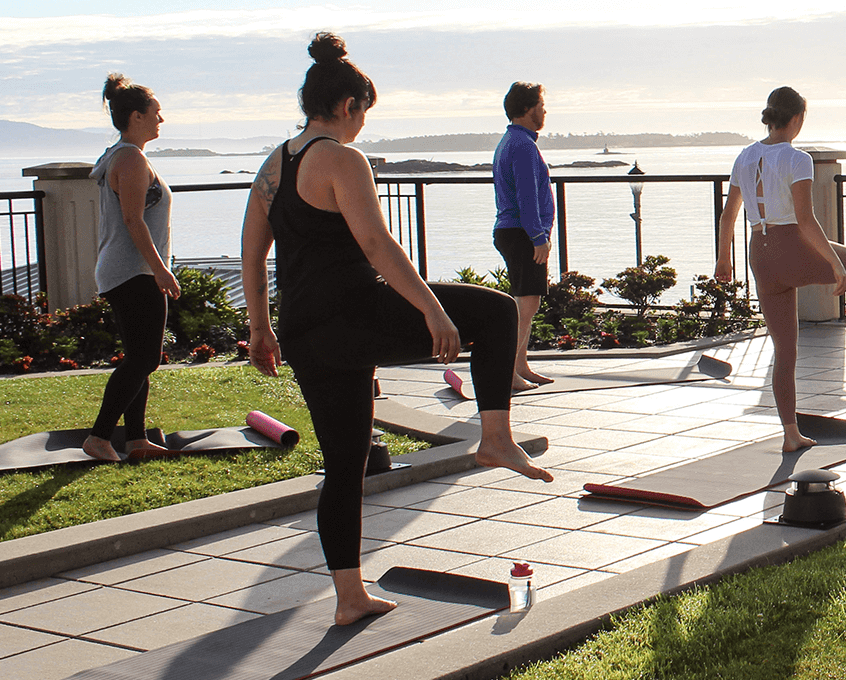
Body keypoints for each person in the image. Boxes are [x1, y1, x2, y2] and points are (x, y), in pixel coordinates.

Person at [242, 33, 552, 626]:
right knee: (495, 312)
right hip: (356, 312)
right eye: (365, 113)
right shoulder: (341, 157)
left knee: (344, 462)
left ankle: (349, 597)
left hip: (305, 330)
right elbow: (377, 245)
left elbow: (252, 254)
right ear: (349, 106)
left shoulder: (273, 166)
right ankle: (494, 437)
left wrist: (260, 329)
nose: (362, 126)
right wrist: (432, 309)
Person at [716, 87, 846, 453]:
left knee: (784, 352)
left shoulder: (744, 157)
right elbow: (805, 220)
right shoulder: (797, 158)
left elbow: (729, 214)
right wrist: (836, 265)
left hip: (758, 253)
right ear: (795, 119)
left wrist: (722, 260)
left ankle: (791, 434)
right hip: (790, 244)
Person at [84, 75, 181, 463]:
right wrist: (160, 269)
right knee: (146, 359)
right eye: (157, 113)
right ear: (137, 116)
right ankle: (100, 435)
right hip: (133, 271)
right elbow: (133, 220)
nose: (162, 119)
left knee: (138, 356)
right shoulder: (130, 158)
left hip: (125, 270)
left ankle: (137, 438)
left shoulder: (120, 154)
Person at [493, 81, 555, 391]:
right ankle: (507, 373)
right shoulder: (522, 146)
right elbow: (527, 196)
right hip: (521, 233)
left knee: (526, 303)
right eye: (542, 106)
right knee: (526, 306)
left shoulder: (514, 140)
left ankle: (520, 366)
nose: (545, 111)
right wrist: (538, 236)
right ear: (529, 109)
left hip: (516, 231)